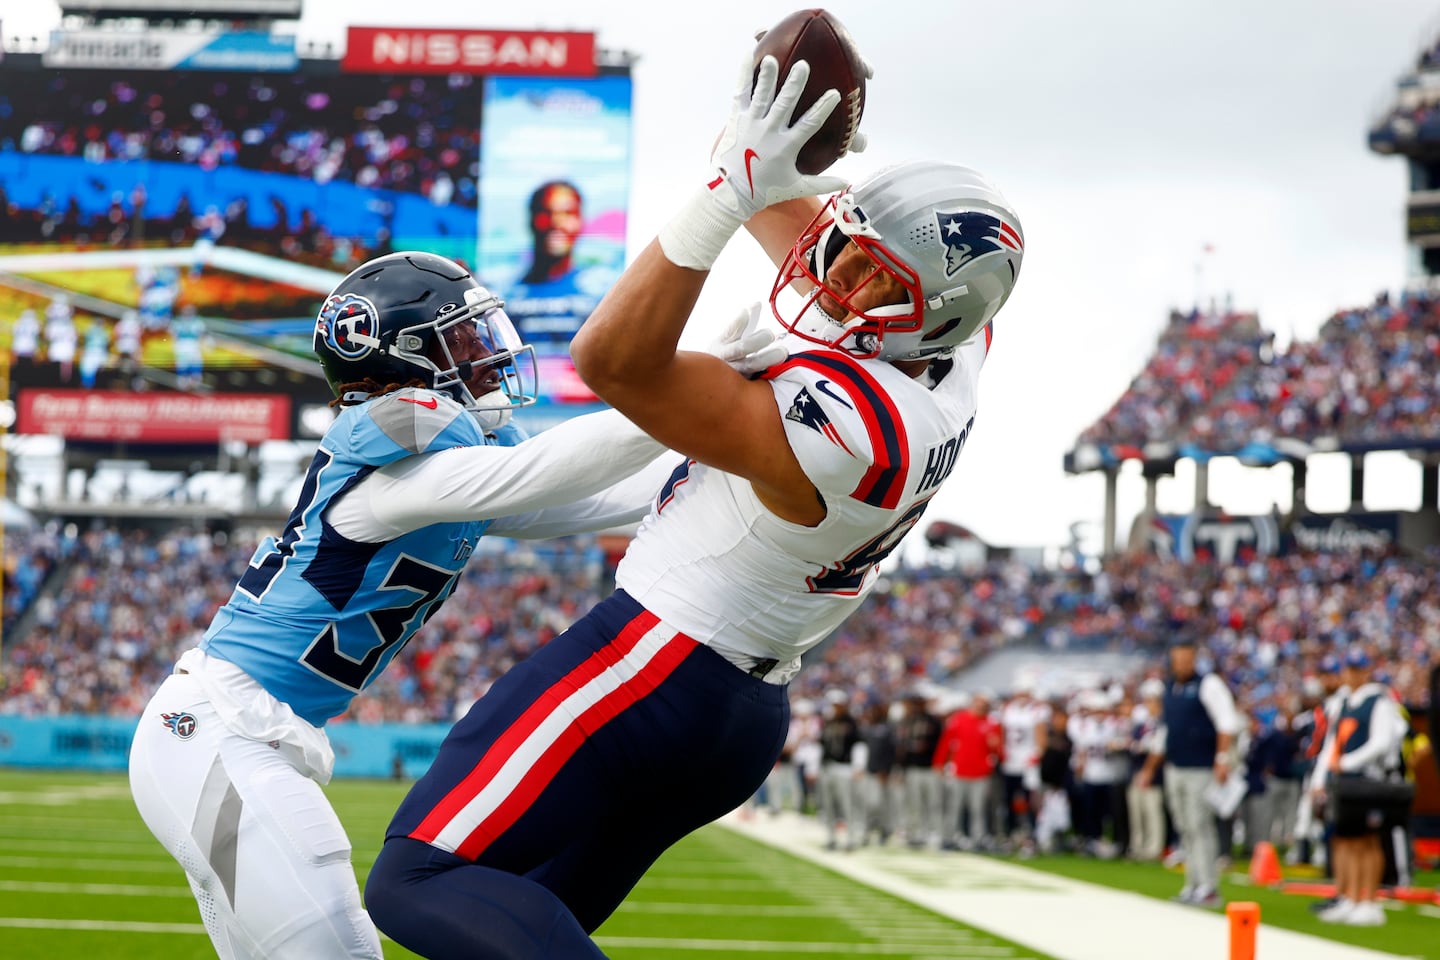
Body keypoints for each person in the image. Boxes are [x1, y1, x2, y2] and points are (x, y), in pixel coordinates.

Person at [364, 50, 1023, 959]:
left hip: (652, 667)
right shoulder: (955, 342)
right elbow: (765, 179)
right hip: (738, 715)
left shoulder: (859, 428)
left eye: (875, 281)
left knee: (416, 879)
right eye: (848, 251)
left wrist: (724, 194)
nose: (837, 280)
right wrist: (788, 134)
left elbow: (613, 363)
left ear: (939, 312)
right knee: (516, 916)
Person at [127, 250, 760, 960]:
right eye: (463, 338)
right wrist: (700, 385)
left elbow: (592, 497)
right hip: (217, 731)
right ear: (404, 358)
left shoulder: (449, 472)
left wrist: (739, 445)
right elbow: (542, 471)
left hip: (240, 732)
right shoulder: (397, 476)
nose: (488, 354)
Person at [1137, 636, 1242, 909]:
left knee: (1200, 825)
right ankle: (1193, 882)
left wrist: (1221, 758)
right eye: (1178, 658)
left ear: (1194, 658)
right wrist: (1150, 768)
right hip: (1176, 766)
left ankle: (1208, 885)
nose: (1182, 663)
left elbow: (1226, 721)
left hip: (1201, 767)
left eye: (1187, 658)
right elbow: (1165, 732)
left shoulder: (1208, 684)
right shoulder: (1170, 687)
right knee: (1184, 827)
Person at [1313, 649, 1411, 927]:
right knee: (1345, 839)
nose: (1353, 675)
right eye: (1350, 669)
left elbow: (1382, 742)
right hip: (1345, 782)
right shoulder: (1345, 702)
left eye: (1358, 669)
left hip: (1368, 781)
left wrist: (1346, 762)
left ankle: (1369, 900)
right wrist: (1322, 778)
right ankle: (1350, 896)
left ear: (1367, 670)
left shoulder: (1379, 701)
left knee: (1367, 841)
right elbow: (1331, 744)